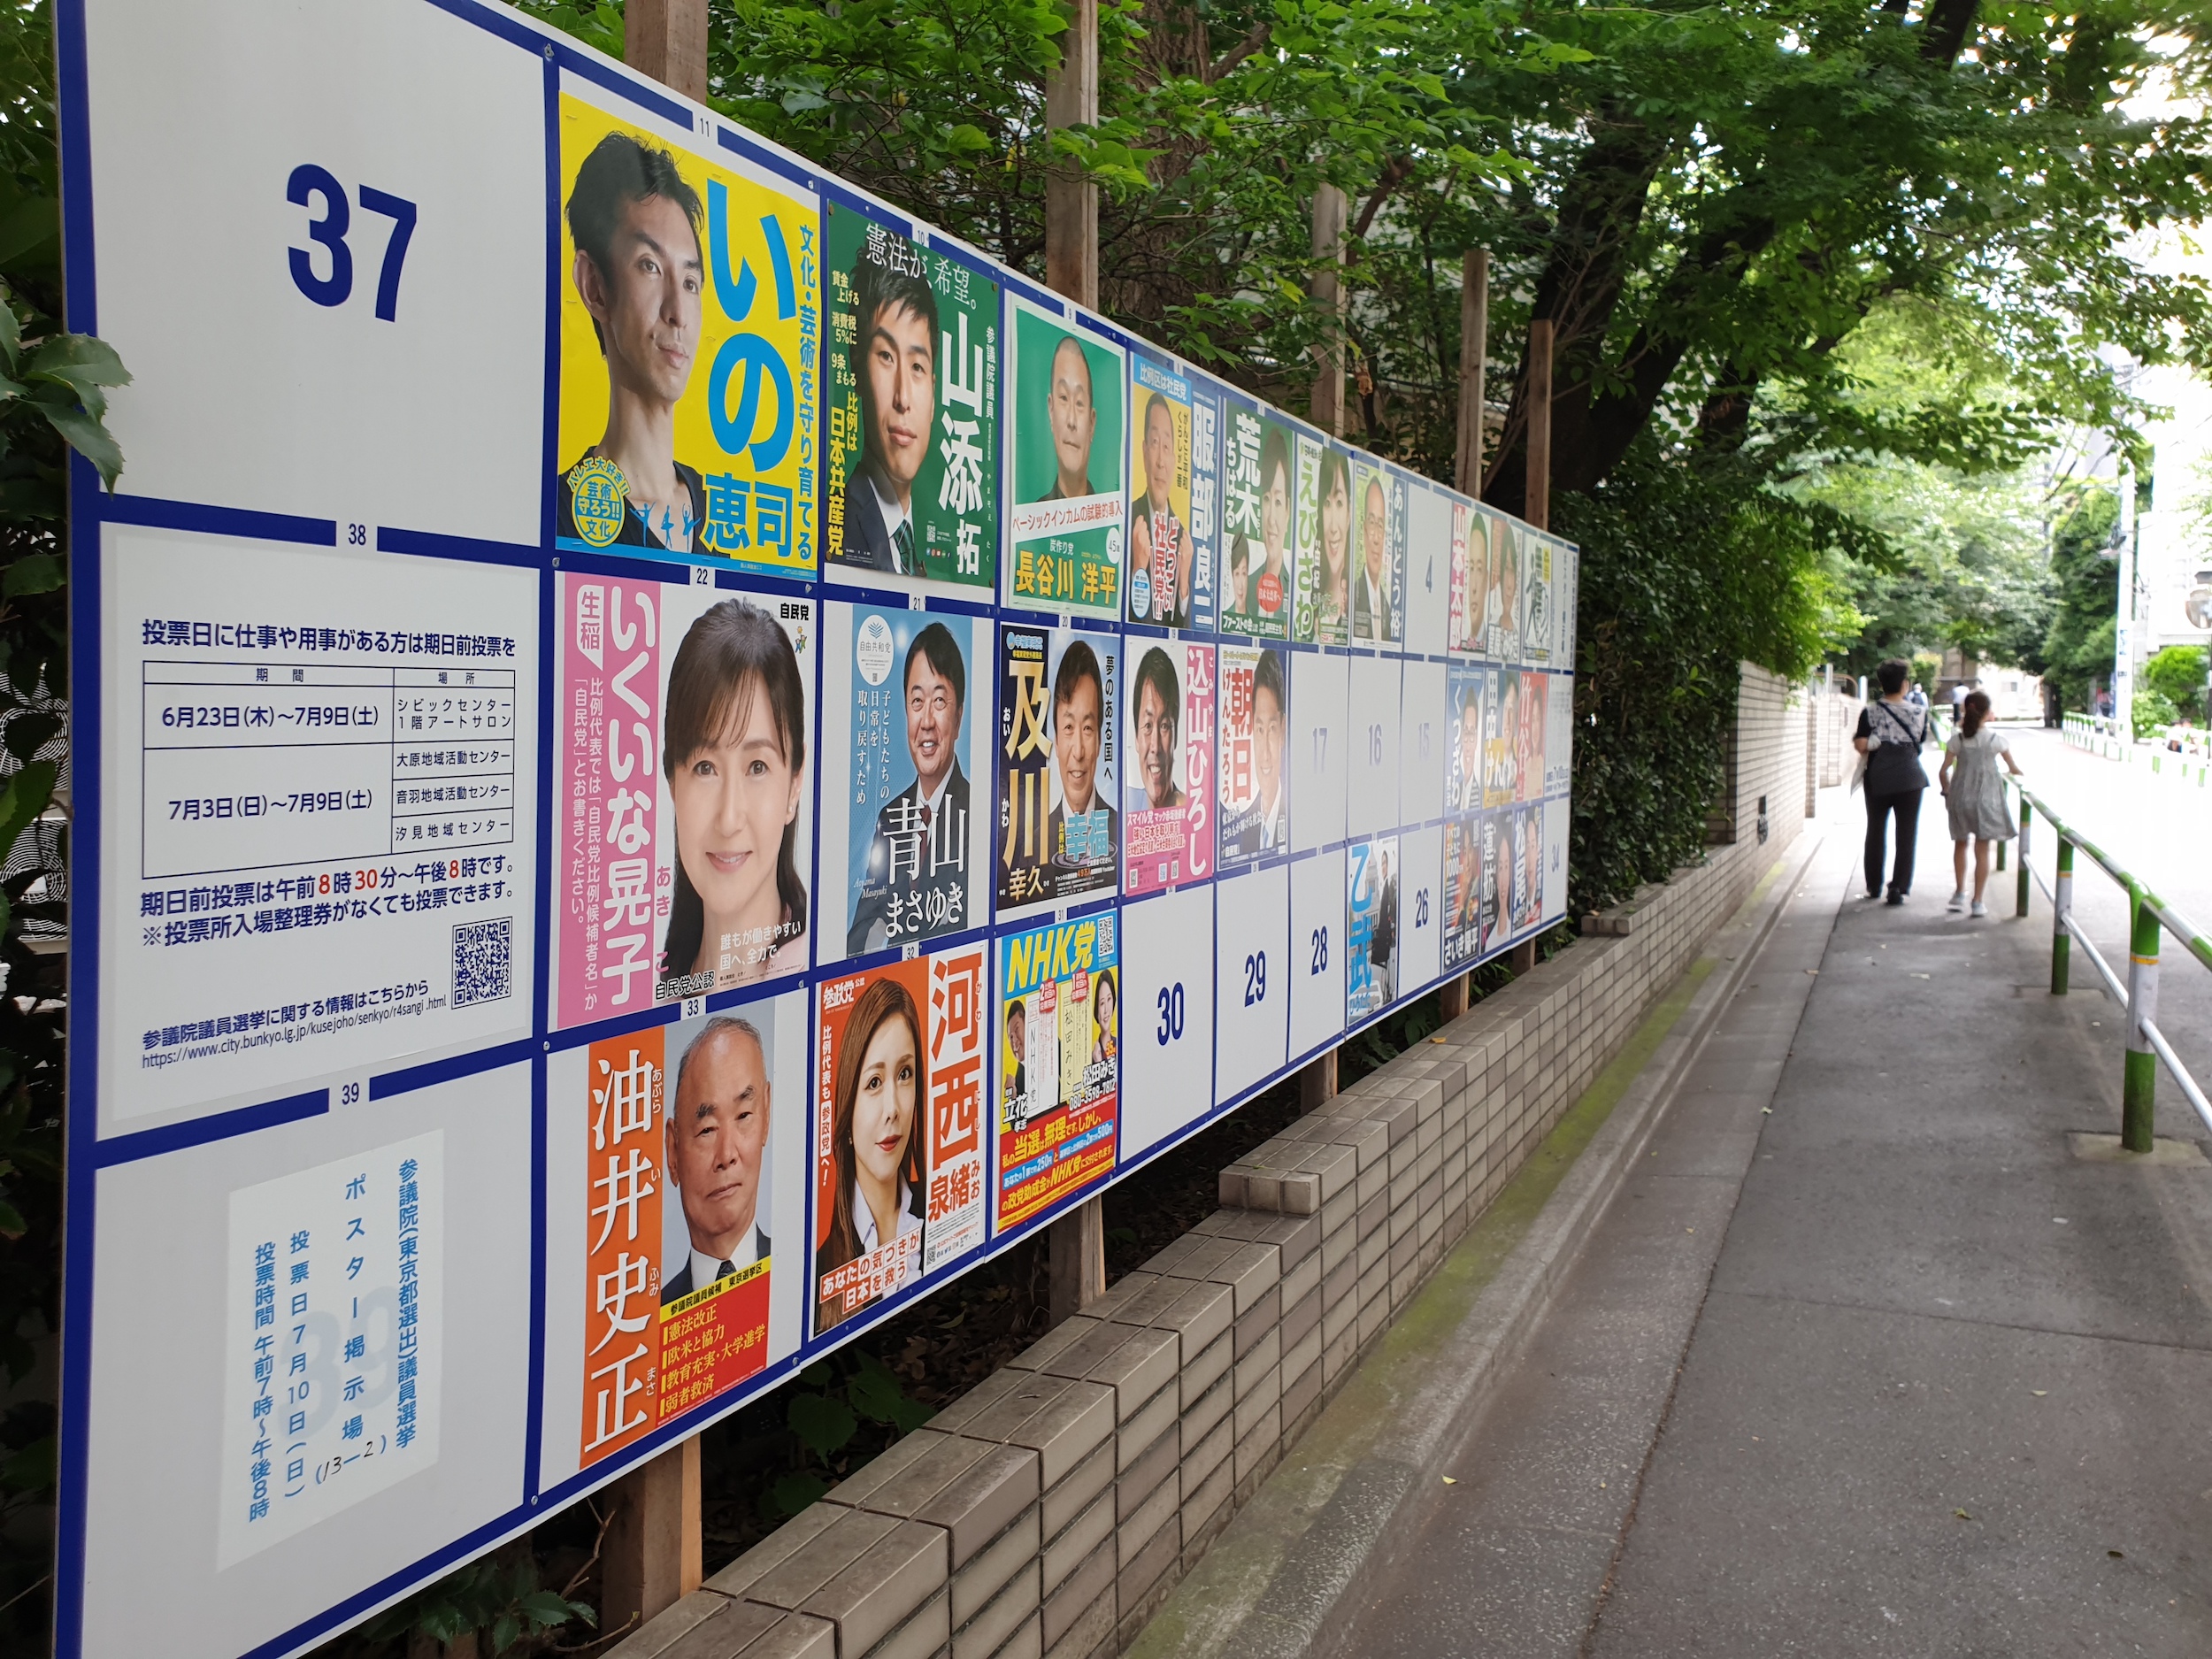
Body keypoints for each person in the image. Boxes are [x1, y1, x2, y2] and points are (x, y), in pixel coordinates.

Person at [558, 133, 707, 553]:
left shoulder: (713, 519)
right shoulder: (559, 520)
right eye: (650, 266)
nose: (677, 311)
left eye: (691, 281)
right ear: (594, 287)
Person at [662, 599, 810, 988]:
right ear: (672, 782)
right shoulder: (649, 993)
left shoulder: (815, 967)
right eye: (704, 768)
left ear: (795, 781)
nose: (729, 819)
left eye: (757, 767)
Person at [848, 623, 969, 954]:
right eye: (917, 701)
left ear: (958, 717)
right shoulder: (891, 817)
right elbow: (865, 927)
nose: (926, 720)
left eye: (940, 700)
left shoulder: (977, 811)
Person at [815, 975, 926, 1333]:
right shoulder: (821, 1267)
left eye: (905, 1074)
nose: (892, 1109)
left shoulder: (939, 1210)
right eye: (874, 1083)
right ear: (848, 1103)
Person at [839, 246, 939, 573]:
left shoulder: (923, 543)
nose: (903, 397)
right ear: (857, 369)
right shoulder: (836, 525)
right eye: (886, 356)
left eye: (917, 367)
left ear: (934, 395)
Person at [661, 1018, 772, 1303]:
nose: (726, 1156)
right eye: (707, 1130)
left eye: (744, 1116)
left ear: (766, 1114)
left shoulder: (801, 1268)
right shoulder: (652, 1316)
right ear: (673, 1152)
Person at [1939, 689, 2024, 918]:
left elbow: (1943, 771)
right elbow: (2013, 768)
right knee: (1982, 850)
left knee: (1960, 845)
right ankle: (1977, 901)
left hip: (1960, 799)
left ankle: (1959, 892)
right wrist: (2017, 772)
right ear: (1987, 712)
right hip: (1986, 801)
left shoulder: (1957, 740)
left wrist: (1947, 791)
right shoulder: (1997, 741)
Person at [1854, 657, 1931, 905]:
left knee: (1875, 830)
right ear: (1905, 685)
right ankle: (1898, 888)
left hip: (1878, 778)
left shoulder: (1870, 712)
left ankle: (1873, 886)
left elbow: (1860, 744)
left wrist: (1878, 740)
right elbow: (1919, 739)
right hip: (1911, 778)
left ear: (1881, 684)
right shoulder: (1920, 712)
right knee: (1906, 834)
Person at [1044, 641, 1117, 869]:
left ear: (1099, 740)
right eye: (1068, 728)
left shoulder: (1122, 830)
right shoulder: (1033, 845)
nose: (1078, 751)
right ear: (1056, 741)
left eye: (1087, 728)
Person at [1130, 394, 1190, 626]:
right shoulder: (1128, 520)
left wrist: (1182, 582)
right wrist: (1138, 571)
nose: (1160, 461)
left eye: (1167, 447)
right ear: (1144, 452)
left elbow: (1184, 634)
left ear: (1175, 459)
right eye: (1155, 443)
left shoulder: (1184, 541)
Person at [1225, 649, 1287, 854]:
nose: (1266, 754)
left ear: (1283, 731)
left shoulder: (1294, 815)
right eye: (1260, 730)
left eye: (1272, 729)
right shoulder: (1245, 826)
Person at [1037, 335, 1100, 501]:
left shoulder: (1109, 520)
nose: (1071, 421)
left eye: (1079, 403)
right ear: (1051, 411)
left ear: (1092, 423)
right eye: (1064, 398)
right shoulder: (1032, 518)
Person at [1248, 426, 1294, 630]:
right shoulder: (1245, 587)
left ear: (1288, 510)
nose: (1272, 520)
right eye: (1267, 499)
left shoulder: (1295, 596)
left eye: (1278, 501)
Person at [1132, 646, 1185, 811]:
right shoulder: (1124, 809)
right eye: (1147, 726)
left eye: (1164, 726)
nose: (1155, 746)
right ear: (1136, 738)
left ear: (1175, 737)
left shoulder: (1194, 814)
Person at [1312, 449, 1353, 639]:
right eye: (1327, 504)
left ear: (1349, 513)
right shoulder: (1308, 607)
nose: (1333, 527)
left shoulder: (1357, 607)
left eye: (1339, 503)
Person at [1352, 474, 1396, 642]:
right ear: (1363, 530)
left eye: (1380, 525)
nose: (1376, 538)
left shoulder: (1389, 608)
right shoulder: (1352, 599)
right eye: (1372, 523)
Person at [1368, 849, 1397, 1003]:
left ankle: (1387, 995)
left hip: (1385, 943)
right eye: (1382, 863)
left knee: (1386, 975)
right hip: (1384, 942)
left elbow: (1388, 914)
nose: (1383, 866)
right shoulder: (1384, 886)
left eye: (1385, 863)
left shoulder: (1388, 887)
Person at [1002, 998, 1029, 1111]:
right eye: (1011, 1037)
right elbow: (1016, 1126)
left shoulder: (1050, 1047)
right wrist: (1012, 1098)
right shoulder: (1016, 1084)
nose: (1015, 1041)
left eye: (1017, 1029)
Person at [1090, 970, 1118, 1066]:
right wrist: (1098, 1064)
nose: (1106, 1010)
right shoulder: (1093, 1056)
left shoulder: (1120, 1044)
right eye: (1102, 1003)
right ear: (1096, 1010)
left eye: (1109, 999)